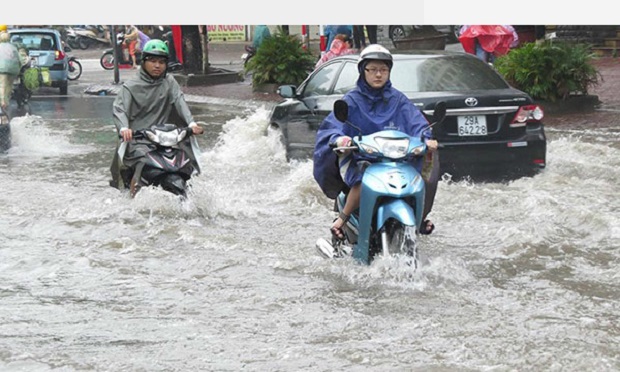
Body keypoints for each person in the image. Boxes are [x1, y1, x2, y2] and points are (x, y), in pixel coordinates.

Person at [313, 44, 439, 241]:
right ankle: (342, 219)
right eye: (373, 69)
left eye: (383, 70)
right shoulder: (352, 100)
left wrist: (426, 139)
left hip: (397, 159)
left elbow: (417, 122)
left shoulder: (398, 100)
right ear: (363, 71)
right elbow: (333, 126)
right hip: (364, 158)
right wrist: (341, 139)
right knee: (362, 178)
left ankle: (420, 215)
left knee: (425, 168)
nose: (378, 75)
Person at [109, 39, 204, 196]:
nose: (157, 66)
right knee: (139, 162)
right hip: (139, 138)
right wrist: (124, 128)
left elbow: (179, 101)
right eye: (152, 61)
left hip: (165, 137)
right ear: (143, 62)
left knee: (188, 159)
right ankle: (132, 197)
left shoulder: (169, 81)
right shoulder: (130, 86)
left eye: (161, 62)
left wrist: (192, 123)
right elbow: (120, 109)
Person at [0, 30, 24, 111]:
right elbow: (20, 59)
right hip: (13, 69)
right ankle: (6, 102)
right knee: (9, 85)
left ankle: (2, 101)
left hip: (1, 69)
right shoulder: (13, 47)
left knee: (2, 85)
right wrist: (19, 68)